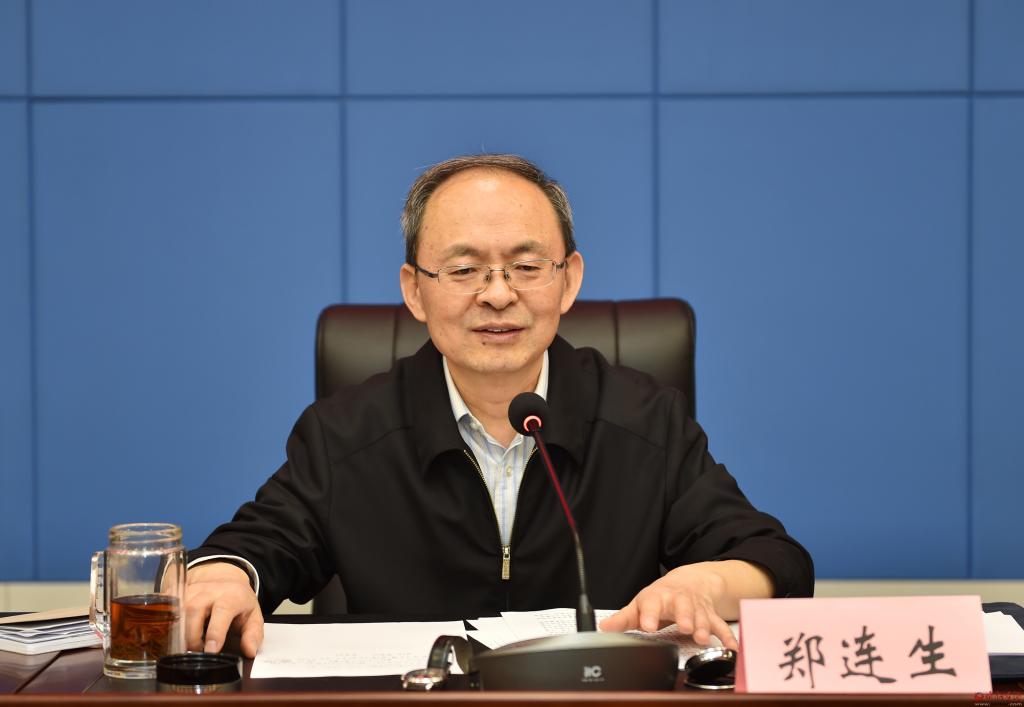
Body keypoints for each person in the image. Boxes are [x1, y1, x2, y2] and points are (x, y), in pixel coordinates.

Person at [185, 154, 814, 659]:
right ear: (415, 291)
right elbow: (259, 544)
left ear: (568, 280)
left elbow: (776, 559)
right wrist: (225, 576)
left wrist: (704, 582)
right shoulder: (346, 432)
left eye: (526, 266)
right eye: (464, 270)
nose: (497, 295)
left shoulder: (645, 420)